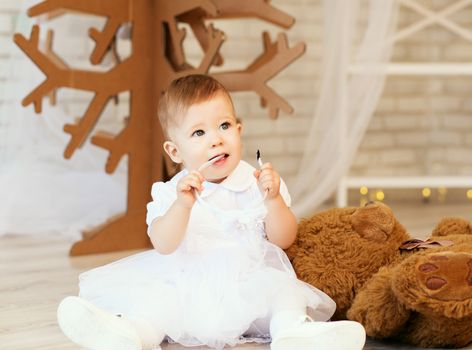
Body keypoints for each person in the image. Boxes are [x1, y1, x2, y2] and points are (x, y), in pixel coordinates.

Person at [56, 74, 366, 350]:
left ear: (239, 130)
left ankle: (292, 333)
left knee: (286, 292)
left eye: (224, 126)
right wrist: (182, 206)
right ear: (175, 151)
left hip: (249, 283)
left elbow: (284, 239)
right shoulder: (173, 192)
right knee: (157, 302)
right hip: (187, 286)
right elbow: (163, 244)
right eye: (199, 133)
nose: (216, 139)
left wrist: (274, 202)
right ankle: (129, 335)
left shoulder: (257, 183)